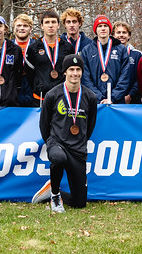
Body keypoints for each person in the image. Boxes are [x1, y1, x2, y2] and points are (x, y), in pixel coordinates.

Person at [33, 53, 98, 213]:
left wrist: (80, 141)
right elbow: (44, 124)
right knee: (58, 158)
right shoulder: (53, 95)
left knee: (79, 202)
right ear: (65, 72)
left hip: (78, 150)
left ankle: (51, 190)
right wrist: (51, 143)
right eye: (71, 69)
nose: (75, 73)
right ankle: (55, 196)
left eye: (78, 69)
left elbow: (90, 126)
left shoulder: (90, 97)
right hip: (58, 144)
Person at [26, 10, 74, 104]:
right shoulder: (33, 48)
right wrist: (38, 86)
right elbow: (29, 74)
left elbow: (71, 71)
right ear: (42, 26)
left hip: (62, 97)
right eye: (47, 22)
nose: (50, 25)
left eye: (53, 22)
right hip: (40, 98)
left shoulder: (68, 47)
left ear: (58, 25)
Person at [80, 15, 131, 103]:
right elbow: (85, 78)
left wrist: (112, 97)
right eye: (100, 26)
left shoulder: (121, 49)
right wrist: (98, 97)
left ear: (110, 29)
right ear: (95, 30)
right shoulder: (87, 50)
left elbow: (125, 76)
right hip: (95, 101)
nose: (103, 28)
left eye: (105, 26)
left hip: (116, 101)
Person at [113, 21, 141, 104]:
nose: (121, 35)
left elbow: (140, 78)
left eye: (124, 32)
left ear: (129, 36)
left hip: (133, 100)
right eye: (118, 32)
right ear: (113, 35)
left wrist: (130, 95)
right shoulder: (109, 54)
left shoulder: (137, 54)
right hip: (114, 100)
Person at [13, 14, 36, 106]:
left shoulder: (37, 46)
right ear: (14, 29)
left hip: (32, 89)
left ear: (30, 29)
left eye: (25, 26)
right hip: (13, 91)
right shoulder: (7, 47)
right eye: (19, 25)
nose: (22, 28)